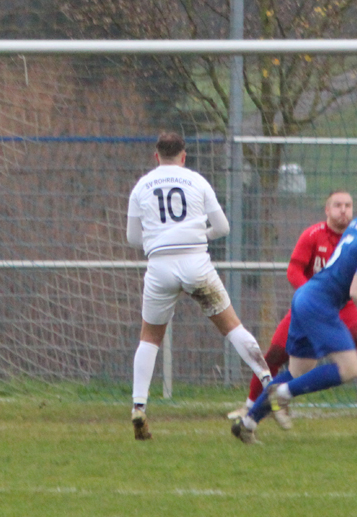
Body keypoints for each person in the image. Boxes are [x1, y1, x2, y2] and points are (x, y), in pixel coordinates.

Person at [232, 187, 357, 444]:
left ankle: (247, 424)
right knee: (350, 367)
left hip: (305, 297)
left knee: (299, 371)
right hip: (321, 305)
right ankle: (281, 394)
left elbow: (351, 259)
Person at [126, 132, 272, 440]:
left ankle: (138, 407)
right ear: (183, 156)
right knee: (232, 326)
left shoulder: (141, 186)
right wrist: (194, 235)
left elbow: (132, 238)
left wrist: (161, 239)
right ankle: (268, 381)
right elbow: (222, 228)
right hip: (196, 262)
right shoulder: (197, 181)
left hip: (159, 266)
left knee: (150, 337)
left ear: (156, 157)